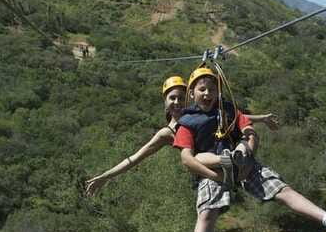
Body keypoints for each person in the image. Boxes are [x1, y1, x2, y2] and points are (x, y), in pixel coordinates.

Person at [173, 67, 326, 232]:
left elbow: (250, 133)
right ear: (192, 93)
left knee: (282, 190)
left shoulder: (231, 111)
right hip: (211, 170)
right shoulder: (187, 122)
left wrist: (247, 153)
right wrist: (215, 175)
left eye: (212, 89)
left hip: (241, 164)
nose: (207, 94)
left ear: (219, 93)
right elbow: (187, 158)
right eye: (202, 89)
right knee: (207, 212)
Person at [85, 76, 279, 196]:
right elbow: (135, 158)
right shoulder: (167, 133)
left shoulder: (200, 114)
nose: (177, 102)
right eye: (172, 98)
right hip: (209, 171)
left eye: (180, 97)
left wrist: (262, 118)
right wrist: (106, 176)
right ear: (165, 102)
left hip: (230, 160)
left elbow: (233, 118)